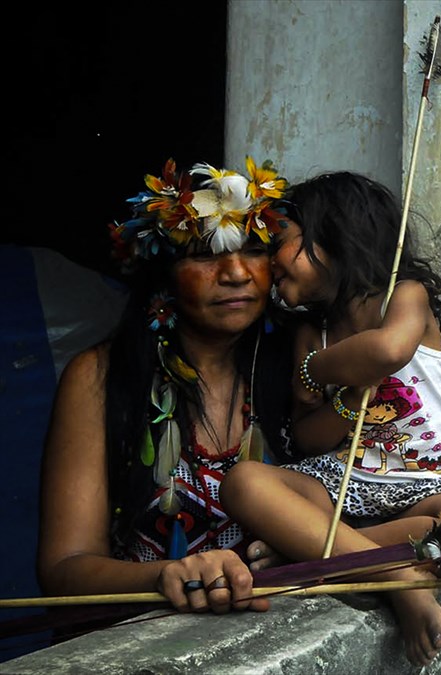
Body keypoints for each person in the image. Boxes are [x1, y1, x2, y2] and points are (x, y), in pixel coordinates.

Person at [220, 171, 441, 667]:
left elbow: (386, 350)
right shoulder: (310, 331)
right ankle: (392, 572)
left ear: (331, 234)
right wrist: (345, 401)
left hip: (418, 486)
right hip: (341, 485)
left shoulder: (403, 297)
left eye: (281, 241)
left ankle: (320, 554)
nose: (269, 259)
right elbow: (307, 436)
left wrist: (319, 369)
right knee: (245, 483)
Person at [37, 158, 293, 618]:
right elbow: (64, 568)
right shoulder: (99, 376)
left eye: (253, 250)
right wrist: (163, 575)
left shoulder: (297, 366)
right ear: (163, 275)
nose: (236, 273)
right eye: (204, 254)